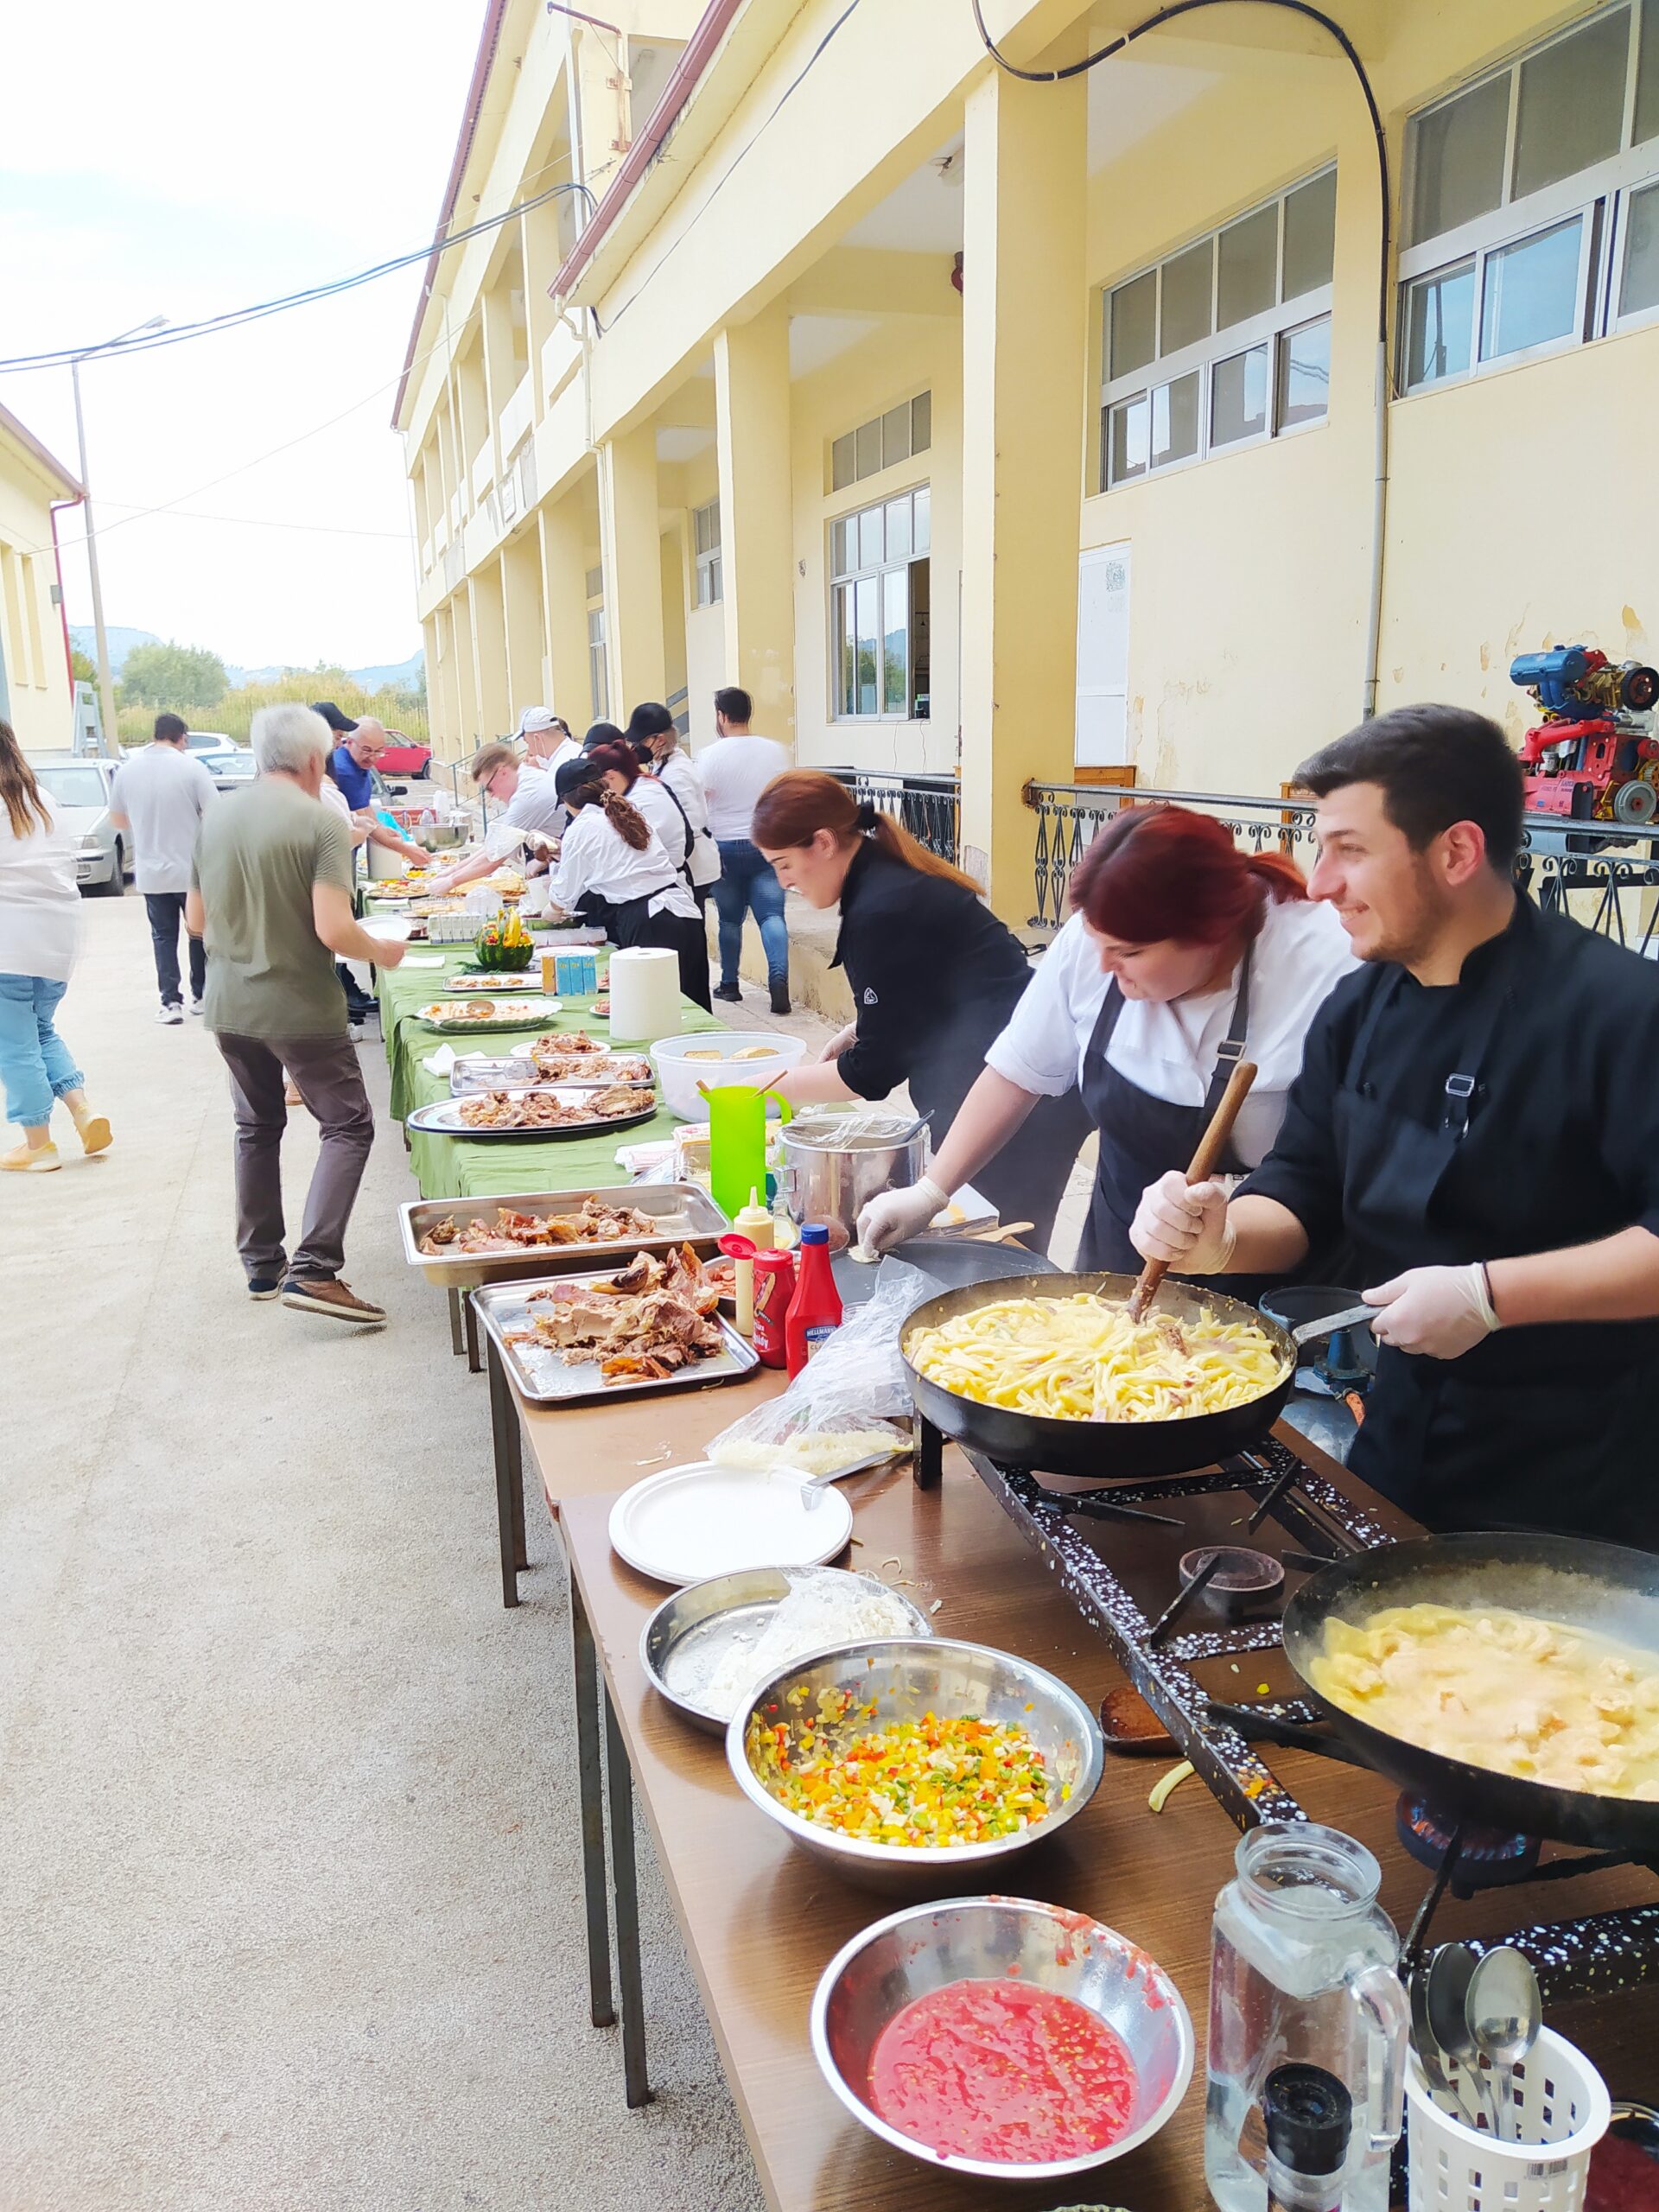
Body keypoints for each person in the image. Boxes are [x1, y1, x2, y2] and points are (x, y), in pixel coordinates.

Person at [1129, 704, 1659, 1548]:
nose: (1319, 880)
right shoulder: (1359, 1006)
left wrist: (1489, 1296)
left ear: (1455, 852)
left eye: (1349, 848)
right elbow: (1301, 1192)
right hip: (1400, 1435)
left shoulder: (1621, 1011)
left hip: (1580, 1481)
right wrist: (1218, 1236)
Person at [858, 804, 1356, 1268]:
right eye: (1098, 944)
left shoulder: (1330, 964)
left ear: (1213, 935)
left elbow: (1342, 1171)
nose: (1102, 966)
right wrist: (930, 1193)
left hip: (1260, 1265)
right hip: (1118, 1256)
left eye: (1130, 953)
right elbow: (1017, 1072)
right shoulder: (1099, 933)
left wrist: (1225, 1240)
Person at [753, 772, 1091, 1250]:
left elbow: (869, 1076)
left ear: (824, 843)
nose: (782, 880)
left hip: (1020, 1104)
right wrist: (862, 1027)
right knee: (990, 1249)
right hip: (1011, 1083)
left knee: (1001, 1258)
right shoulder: (886, 878)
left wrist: (760, 1088)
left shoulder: (882, 907)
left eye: (783, 863)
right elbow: (936, 986)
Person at [187, 703, 406, 1322]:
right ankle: (315, 1269)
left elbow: (196, 922)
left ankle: (262, 1266)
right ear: (316, 759)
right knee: (348, 1125)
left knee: (256, 1127)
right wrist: (383, 950)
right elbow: (335, 928)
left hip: (229, 1004)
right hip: (300, 1006)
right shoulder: (320, 823)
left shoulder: (217, 817)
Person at [0, 720, 111, 1172]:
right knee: (40, 1030)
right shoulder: (42, 799)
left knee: (14, 1044)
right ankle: (84, 1112)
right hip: (58, 938)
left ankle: (38, 1144)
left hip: (8, 940)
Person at [550, 757, 711, 1009]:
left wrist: (549, 911)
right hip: (682, 911)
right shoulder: (628, 811)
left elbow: (563, 896)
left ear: (568, 800)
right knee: (693, 1005)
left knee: (654, 1010)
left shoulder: (581, 828)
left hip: (648, 921)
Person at [108, 710, 218, 1021]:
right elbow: (215, 814)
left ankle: (170, 1003)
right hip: (193, 871)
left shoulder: (128, 771)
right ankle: (203, 994)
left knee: (163, 937)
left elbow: (117, 820)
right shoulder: (193, 768)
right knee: (200, 931)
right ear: (182, 737)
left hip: (151, 872)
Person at [700, 685, 791, 1012]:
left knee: (729, 921)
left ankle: (729, 984)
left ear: (721, 716)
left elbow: (702, 803)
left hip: (724, 847)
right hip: (765, 846)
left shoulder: (710, 755)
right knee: (771, 916)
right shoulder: (775, 752)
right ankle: (779, 981)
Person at [425, 741, 568, 896]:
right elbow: (493, 845)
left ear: (502, 772)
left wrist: (450, 882)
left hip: (566, 873)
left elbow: (494, 856)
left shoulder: (528, 796)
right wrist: (450, 872)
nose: (490, 794)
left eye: (488, 788)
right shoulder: (525, 781)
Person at [625, 701, 720, 904]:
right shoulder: (664, 763)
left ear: (659, 739)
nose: (635, 748)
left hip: (693, 865)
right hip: (687, 863)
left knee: (693, 927)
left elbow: (686, 825)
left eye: (640, 742)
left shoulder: (677, 773)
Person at [584, 737, 694, 880]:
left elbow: (618, 847)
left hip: (662, 882)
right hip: (662, 876)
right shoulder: (646, 784)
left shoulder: (639, 800)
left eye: (596, 783)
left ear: (610, 776)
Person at [518, 706, 582, 776]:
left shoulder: (561, 767)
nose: (530, 750)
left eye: (528, 743)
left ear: (537, 739)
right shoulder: (574, 751)